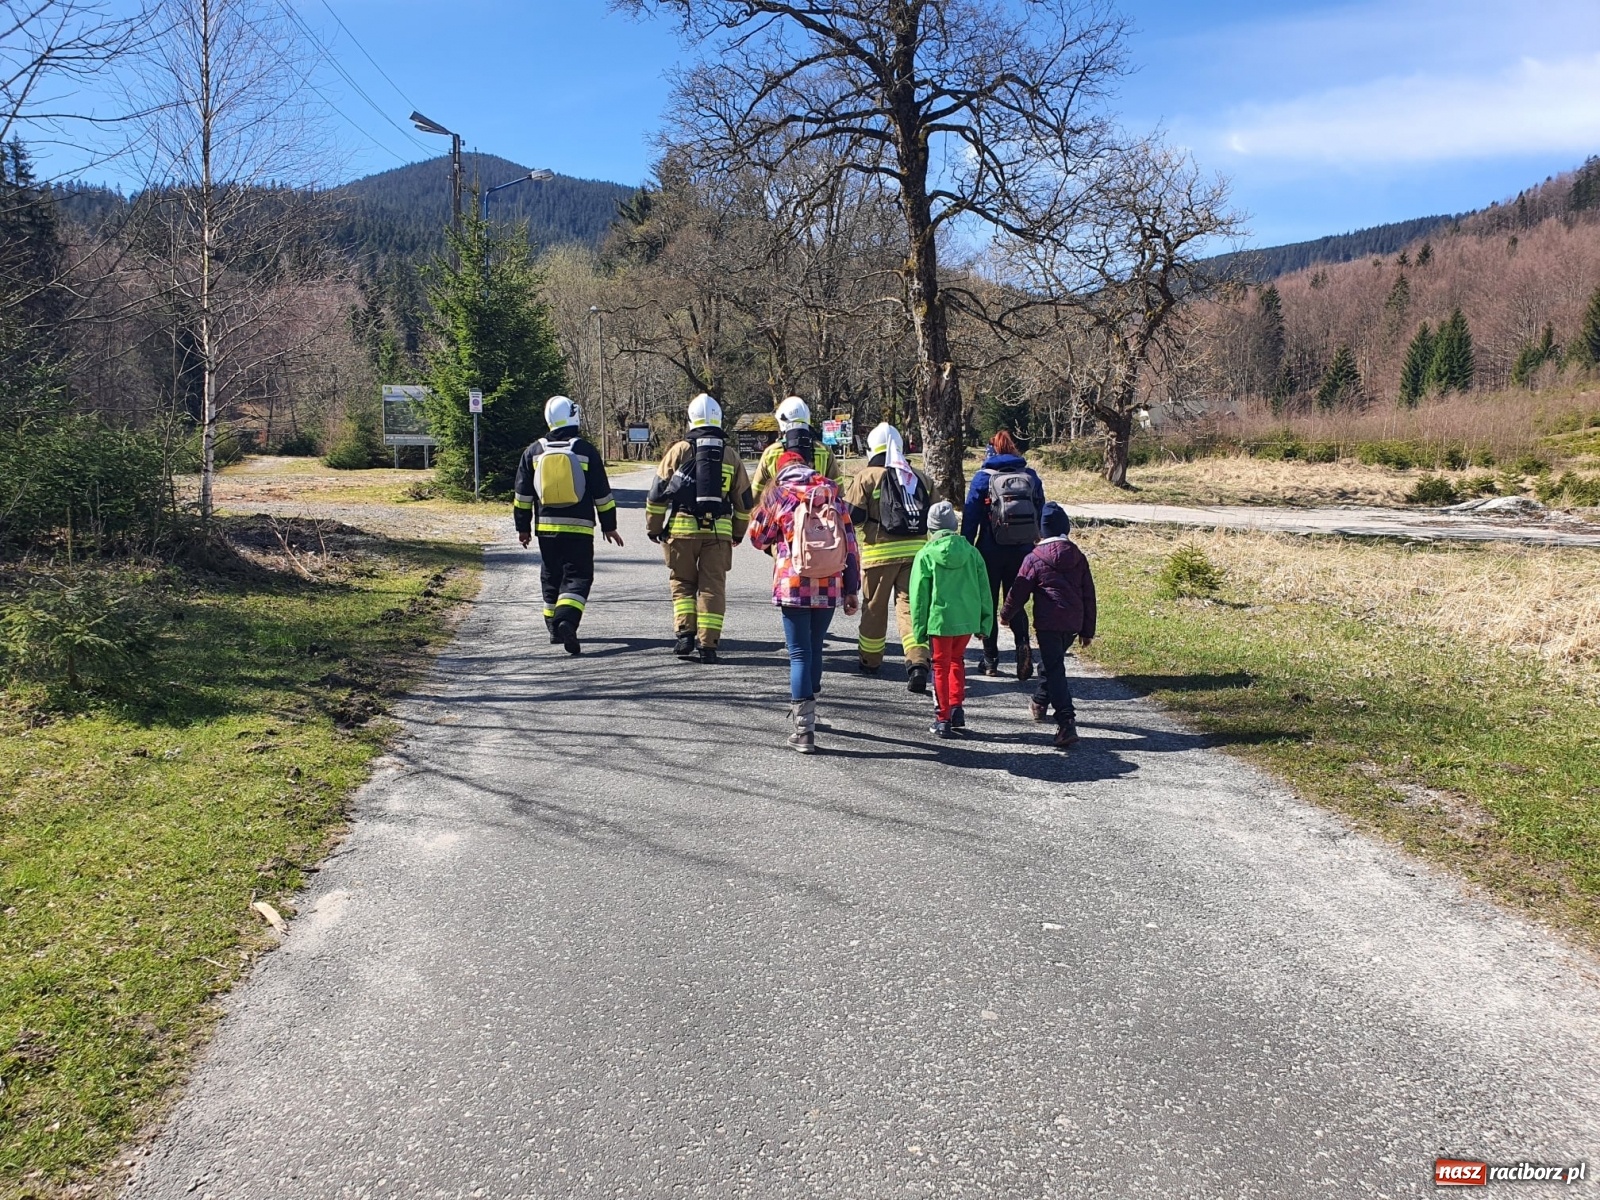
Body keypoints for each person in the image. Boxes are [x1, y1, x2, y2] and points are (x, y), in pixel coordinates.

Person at [748, 450, 861, 753]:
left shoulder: (779, 495)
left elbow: (757, 537)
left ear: (781, 470)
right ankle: (811, 711)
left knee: (799, 653)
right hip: (830, 582)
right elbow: (850, 546)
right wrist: (852, 589)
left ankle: (804, 730)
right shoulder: (831, 495)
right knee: (814, 648)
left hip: (794, 583)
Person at [644, 393, 753, 664]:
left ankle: (685, 634)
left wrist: (654, 528)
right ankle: (708, 645)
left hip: (681, 532)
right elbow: (744, 502)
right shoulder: (730, 455)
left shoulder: (679, 450)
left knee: (682, 583)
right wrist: (738, 532)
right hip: (718, 534)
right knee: (712, 587)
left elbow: (657, 495)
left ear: (691, 419)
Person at [512, 396, 623, 656]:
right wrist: (609, 525)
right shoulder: (585, 450)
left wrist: (523, 528)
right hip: (580, 528)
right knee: (579, 576)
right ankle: (566, 621)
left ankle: (553, 627)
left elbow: (522, 495)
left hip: (547, 528)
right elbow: (602, 494)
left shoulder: (534, 451)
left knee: (551, 575)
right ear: (574, 416)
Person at [999, 503, 1097, 750]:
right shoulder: (1078, 557)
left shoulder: (1034, 558)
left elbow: (1018, 590)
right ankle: (1040, 701)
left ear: (1041, 530)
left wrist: (1006, 614)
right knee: (1051, 663)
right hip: (1072, 622)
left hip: (1048, 622)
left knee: (1054, 668)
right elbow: (1089, 595)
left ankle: (1066, 721)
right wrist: (1087, 630)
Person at [844, 421, 932, 692]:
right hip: (917, 556)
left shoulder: (866, 476)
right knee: (911, 610)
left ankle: (870, 660)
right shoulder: (920, 477)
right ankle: (918, 662)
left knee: (874, 609)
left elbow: (851, 516)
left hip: (879, 554)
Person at [961, 429, 1046, 681]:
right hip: (1023, 549)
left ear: (991, 451)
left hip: (990, 548)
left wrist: (967, 545)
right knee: (1016, 600)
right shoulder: (1030, 476)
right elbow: (1040, 511)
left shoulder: (982, 478)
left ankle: (990, 660)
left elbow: (970, 517)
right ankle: (1023, 647)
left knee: (988, 602)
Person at [909, 500, 994, 739]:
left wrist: (919, 628)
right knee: (957, 661)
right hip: (966, 619)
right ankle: (957, 708)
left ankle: (942, 717)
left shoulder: (925, 554)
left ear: (930, 529)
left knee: (940, 667)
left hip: (939, 620)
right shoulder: (972, 552)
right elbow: (984, 589)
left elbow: (918, 596)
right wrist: (985, 621)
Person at [750, 396, 842, 498]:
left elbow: (757, 493)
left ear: (782, 421)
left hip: (782, 511)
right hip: (815, 511)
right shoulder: (824, 450)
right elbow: (838, 489)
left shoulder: (770, 452)